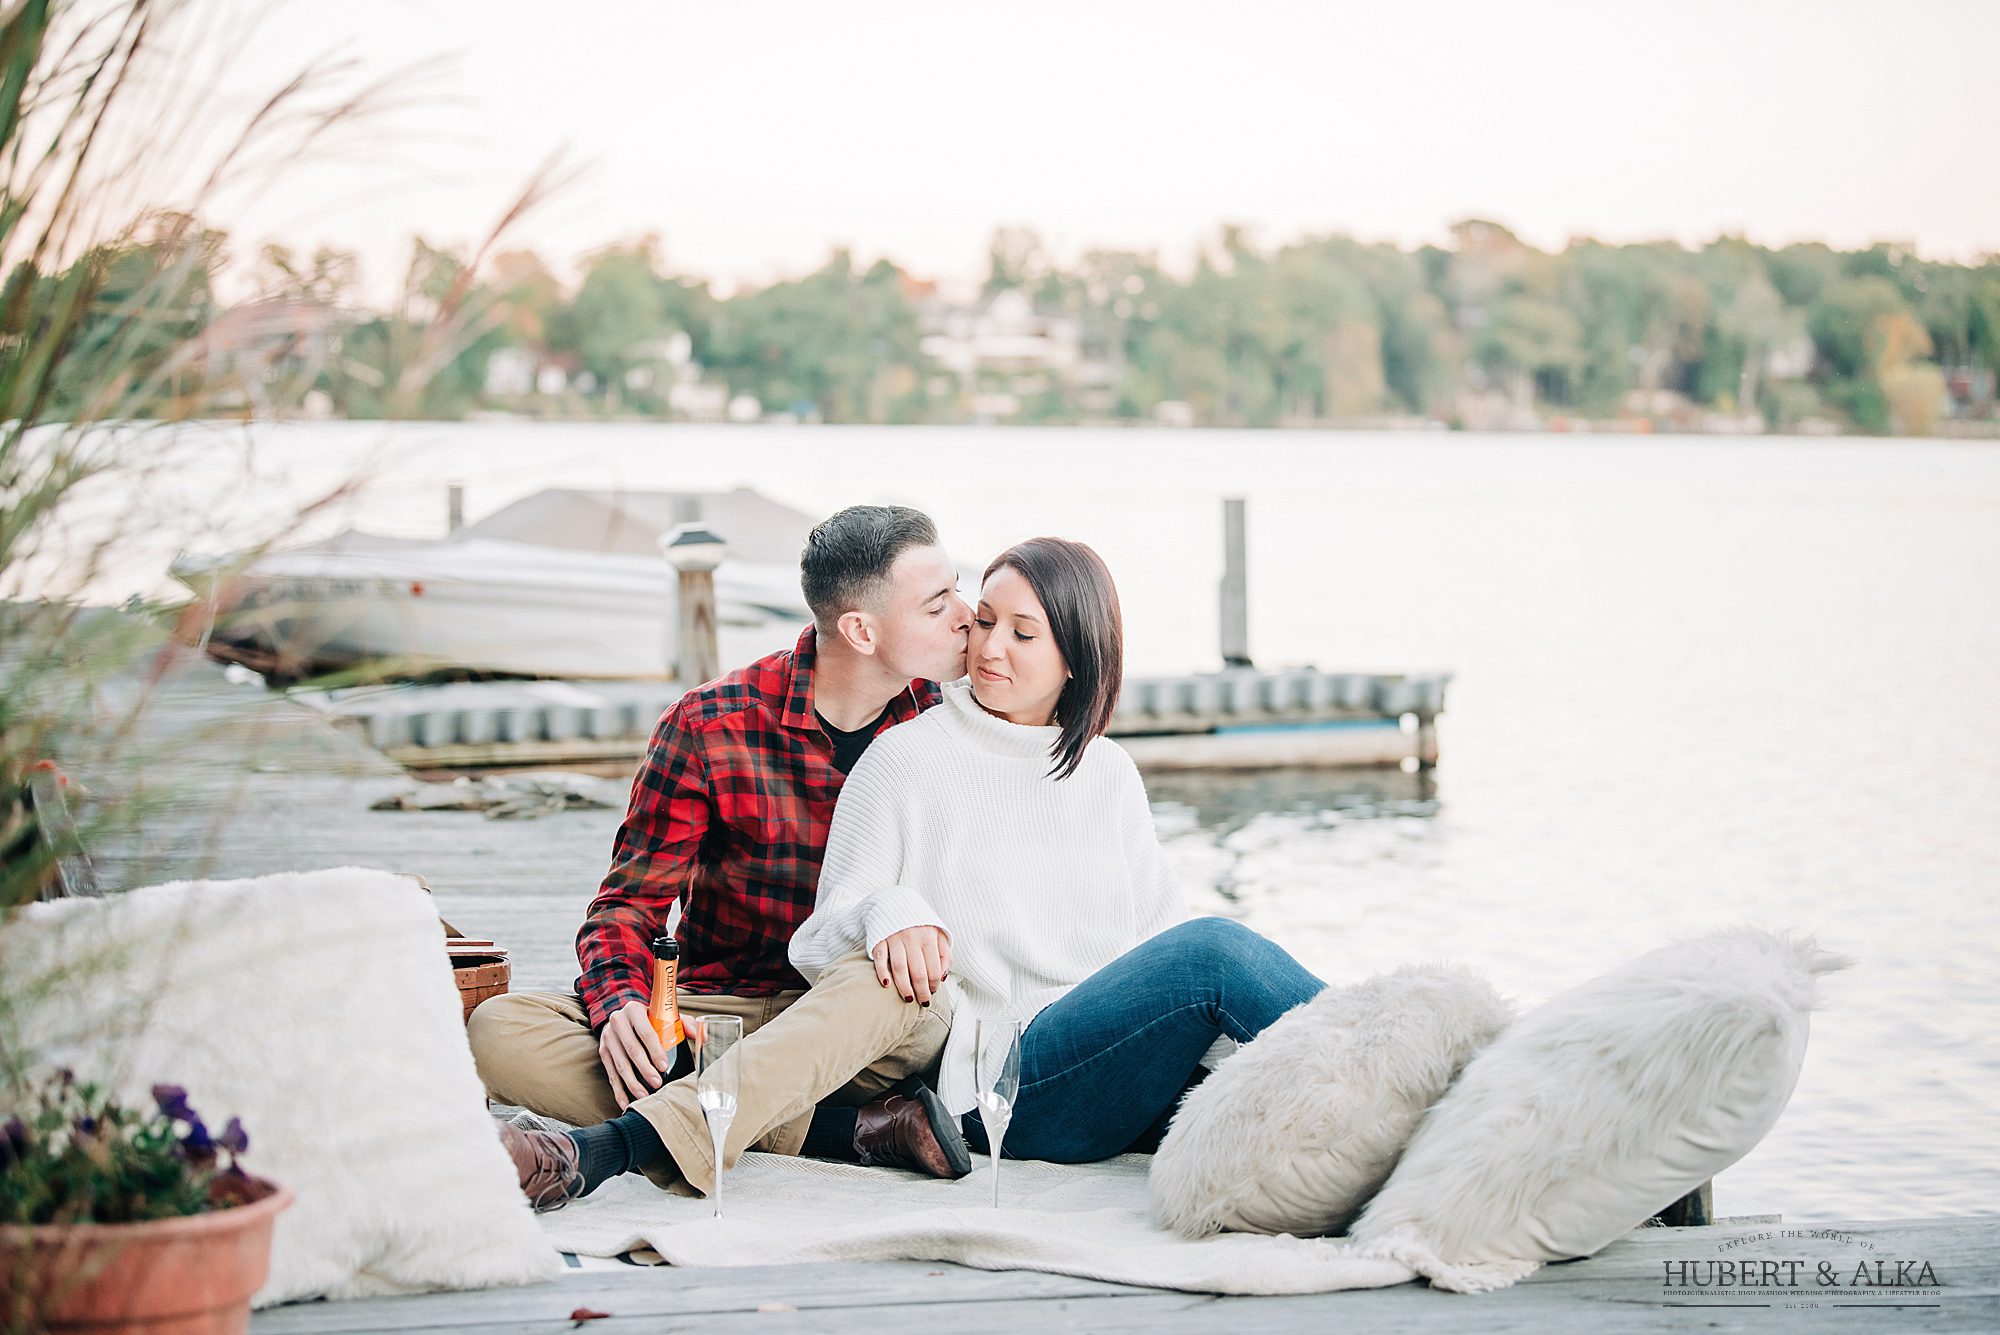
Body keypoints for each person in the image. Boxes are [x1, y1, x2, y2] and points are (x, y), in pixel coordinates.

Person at [469, 505, 978, 1208]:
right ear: (862, 630)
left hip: (860, 1022)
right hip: (716, 1019)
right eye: (938, 602)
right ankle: (851, 1131)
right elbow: (625, 909)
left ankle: (622, 1144)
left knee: (904, 985)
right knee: (497, 1029)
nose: (967, 614)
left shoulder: (952, 721)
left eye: (958, 588)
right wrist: (619, 1005)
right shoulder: (712, 723)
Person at [789, 537, 1327, 1162]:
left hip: (1116, 1072)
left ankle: (1421, 1114)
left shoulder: (1107, 771)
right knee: (1214, 951)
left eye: (1023, 633)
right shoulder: (903, 762)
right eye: (985, 621)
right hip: (1005, 1083)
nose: (990, 648)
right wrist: (885, 910)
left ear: (1076, 655)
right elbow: (816, 942)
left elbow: (1156, 936)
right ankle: (1401, 1050)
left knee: (1296, 1120)